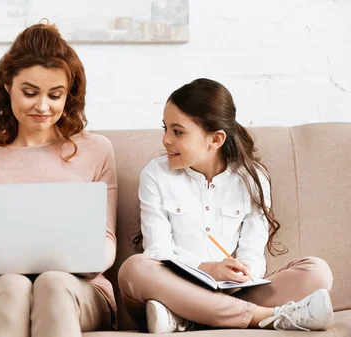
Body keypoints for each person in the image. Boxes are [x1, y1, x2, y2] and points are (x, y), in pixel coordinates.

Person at [118, 78, 334, 333]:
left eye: (177, 131)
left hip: (234, 293)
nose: (165, 140)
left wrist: (242, 273)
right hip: (173, 288)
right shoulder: (156, 174)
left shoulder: (254, 178)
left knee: (317, 272)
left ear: (216, 139)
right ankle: (267, 316)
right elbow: (157, 252)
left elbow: (252, 253)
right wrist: (208, 269)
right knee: (134, 269)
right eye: (165, 128)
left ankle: (186, 319)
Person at [0, 22, 118, 337]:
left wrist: (82, 260)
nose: (43, 107)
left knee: (52, 282)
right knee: (13, 286)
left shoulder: (97, 150)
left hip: (77, 291)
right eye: (30, 93)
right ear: (7, 86)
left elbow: (106, 239)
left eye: (55, 95)